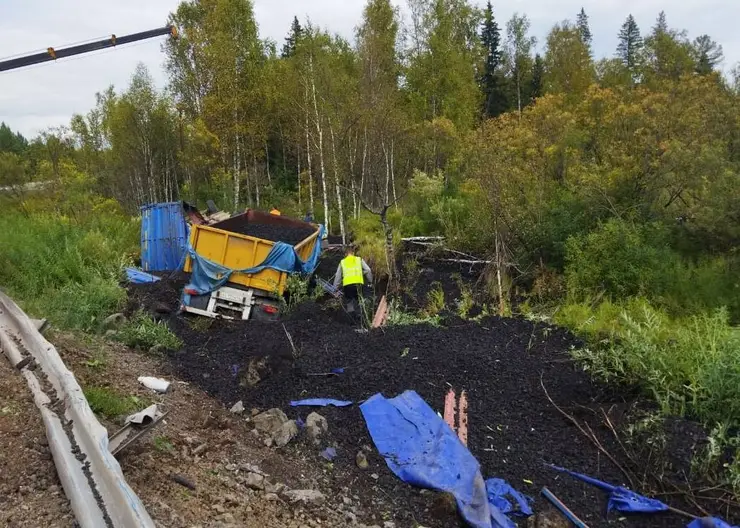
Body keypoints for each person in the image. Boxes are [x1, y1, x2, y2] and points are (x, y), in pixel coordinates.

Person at [333, 246, 373, 314]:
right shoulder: (359, 259)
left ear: (345, 254)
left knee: (349, 302)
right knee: (359, 300)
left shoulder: (342, 262)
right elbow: (368, 270)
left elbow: (338, 276)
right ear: (353, 253)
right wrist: (370, 281)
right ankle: (360, 316)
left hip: (348, 286)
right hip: (358, 284)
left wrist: (335, 289)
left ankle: (351, 319)